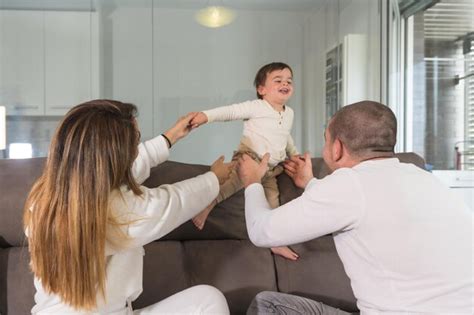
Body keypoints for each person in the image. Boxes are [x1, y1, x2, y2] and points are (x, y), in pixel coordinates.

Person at [238, 101, 473, 314]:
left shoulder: (349, 184)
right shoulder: (427, 180)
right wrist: (311, 183)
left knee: (268, 305)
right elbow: (362, 203)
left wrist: (252, 182)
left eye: (325, 139)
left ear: (337, 147)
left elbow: (261, 231)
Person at [24, 100, 232, 314]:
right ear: (115, 155)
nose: (136, 149)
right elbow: (173, 202)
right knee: (208, 302)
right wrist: (214, 178)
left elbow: (112, 178)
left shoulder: (43, 200)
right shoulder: (118, 212)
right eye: (135, 141)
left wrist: (169, 138)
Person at [189, 62, 300, 261]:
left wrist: (295, 154)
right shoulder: (257, 106)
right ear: (261, 89)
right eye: (278, 80)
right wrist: (206, 116)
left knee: (272, 202)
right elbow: (230, 112)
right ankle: (206, 206)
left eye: (289, 81)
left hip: (271, 168)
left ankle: (274, 241)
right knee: (231, 183)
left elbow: (286, 136)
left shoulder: (289, 113)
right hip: (250, 158)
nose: (285, 83)